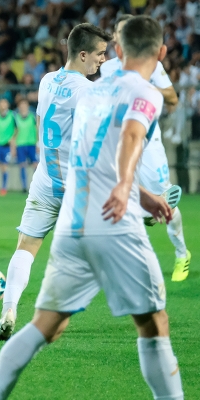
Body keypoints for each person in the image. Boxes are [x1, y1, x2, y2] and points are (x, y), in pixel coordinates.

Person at [0, 17, 183, 400]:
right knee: (154, 323)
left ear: (118, 52)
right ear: (161, 54)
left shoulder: (53, 82)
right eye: (100, 53)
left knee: (45, 321)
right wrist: (137, 194)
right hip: (93, 204)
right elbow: (121, 144)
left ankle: (3, 334)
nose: (104, 58)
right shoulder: (111, 92)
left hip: (52, 185)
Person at [0, 23, 113, 341]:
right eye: (100, 54)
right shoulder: (87, 92)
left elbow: (38, 122)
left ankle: (9, 308)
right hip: (76, 189)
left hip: (45, 181)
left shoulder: (46, 81)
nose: (103, 59)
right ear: (83, 54)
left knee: (26, 249)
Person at [100, 15, 190, 283]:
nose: (119, 36)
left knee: (165, 199)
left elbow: (172, 97)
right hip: (119, 140)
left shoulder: (151, 65)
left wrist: (142, 87)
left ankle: (182, 253)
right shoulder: (106, 68)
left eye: (123, 31)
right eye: (117, 31)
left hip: (148, 143)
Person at [14, 100, 38, 192]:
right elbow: (15, 130)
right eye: (21, 105)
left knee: (35, 165)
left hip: (31, 143)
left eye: (25, 105)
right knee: (22, 165)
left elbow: (37, 130)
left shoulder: (33, 117)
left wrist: (38, 143)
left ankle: (36, 186)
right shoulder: (16, 117)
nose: (23, 107)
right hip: (20, 144)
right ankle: (24, 187)